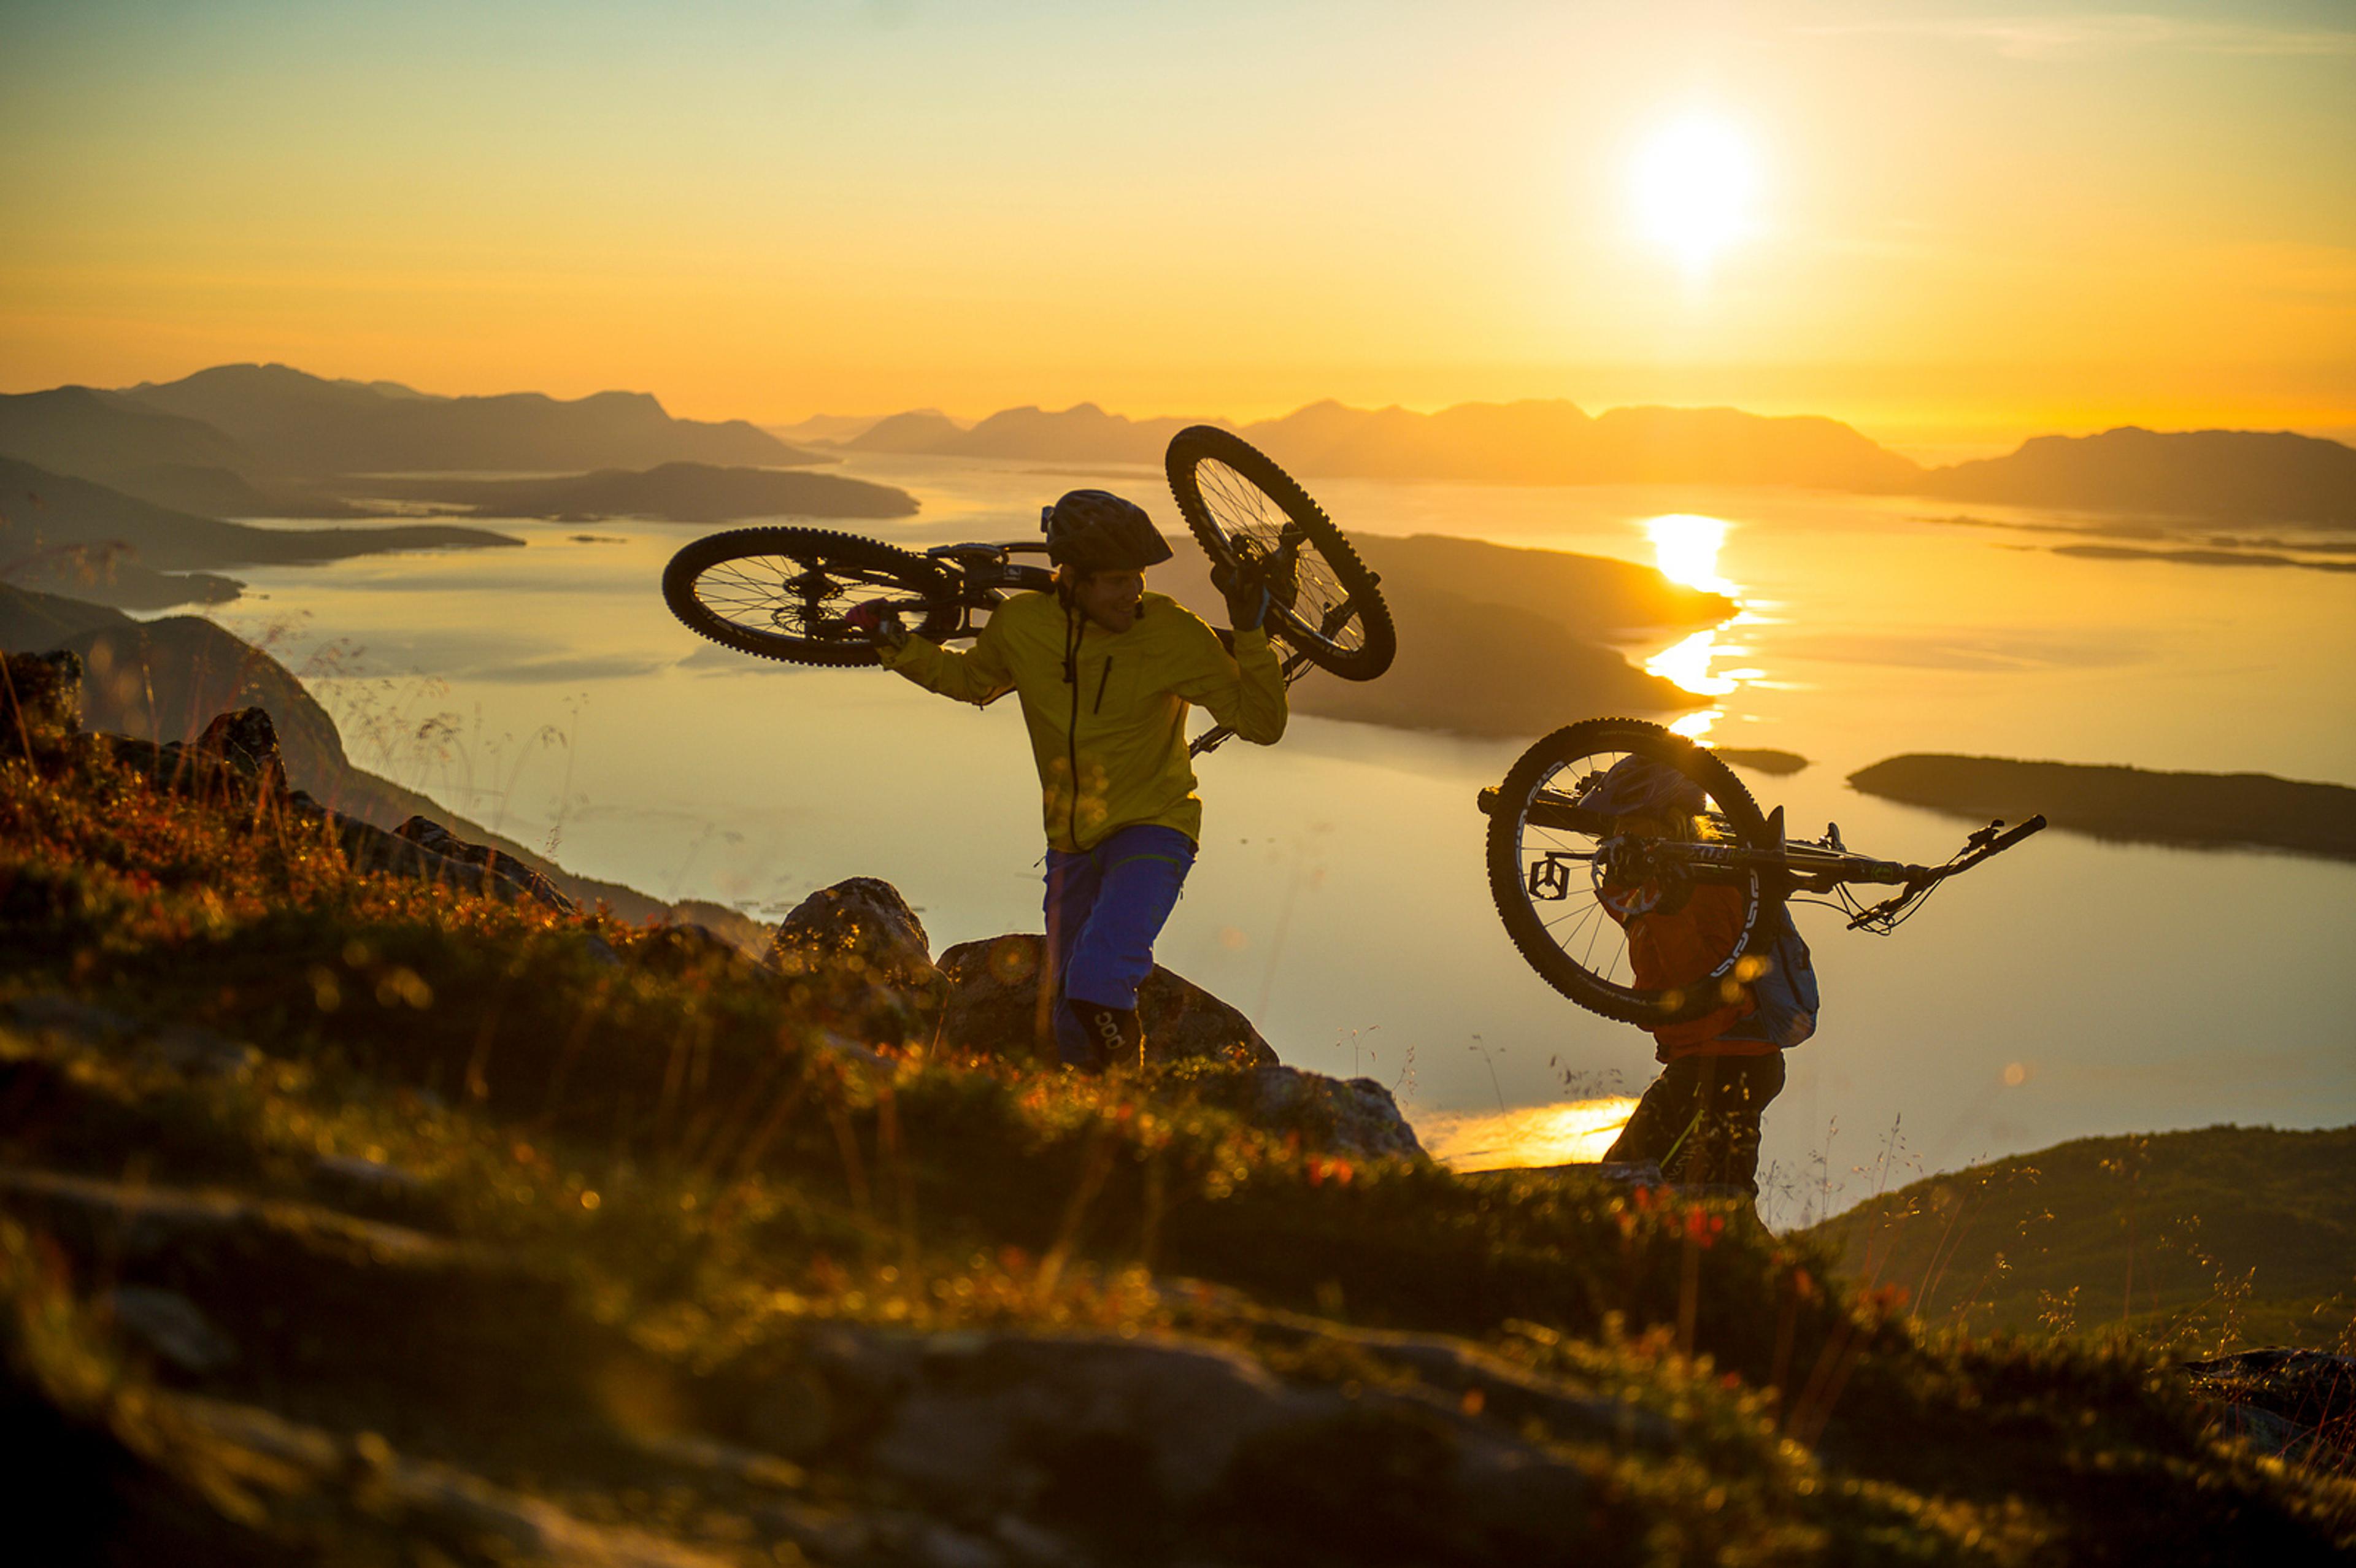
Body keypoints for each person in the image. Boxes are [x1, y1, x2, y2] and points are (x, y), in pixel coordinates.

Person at [845, 490, 1288, 1071]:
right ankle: (1078, 1112)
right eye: (1115, 581)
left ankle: (1121, 1112)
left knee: (1100, 975)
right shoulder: (1023, 624)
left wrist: (1250, 635)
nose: (1133, 592)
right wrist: (894, 643)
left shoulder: (1172, 632)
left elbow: (1261, 723)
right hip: (1070, 842)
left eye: (1137, 578)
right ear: (1073, 579)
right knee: (1065, 999)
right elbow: (970, 681)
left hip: (1155, 829)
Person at [1581, 755, 1815, 1199]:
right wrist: (1625, 883)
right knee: (1712, 1197)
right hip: (1723, 1060)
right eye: (1615, 830)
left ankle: (1754, 1267)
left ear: (1670, 823)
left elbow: (1702, 985)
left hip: (1722, 1065)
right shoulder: (1676, 880)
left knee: (1629, 1186)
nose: (1620, 838)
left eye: (1631, 827)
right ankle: (1748, 1265)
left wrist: (1660, 904)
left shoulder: (1704, 887)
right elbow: (1641, 931)